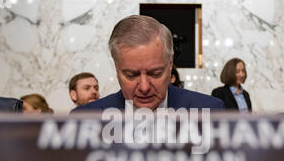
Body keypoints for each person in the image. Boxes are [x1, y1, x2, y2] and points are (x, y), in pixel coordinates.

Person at [71, 15, 223, 112]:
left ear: (170, 65)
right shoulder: (86, 118)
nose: (144, 87)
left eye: (155, 73)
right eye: (131, 75)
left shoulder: (209, 111)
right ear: (117, 68)